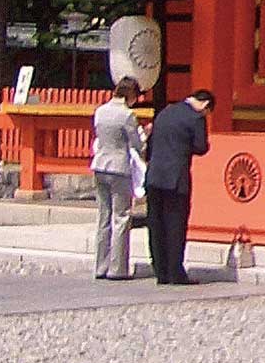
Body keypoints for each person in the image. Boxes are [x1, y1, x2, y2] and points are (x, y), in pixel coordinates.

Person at [142, 89, 215, 286]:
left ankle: (160, 271)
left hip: (154, 176)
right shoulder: (195, 118)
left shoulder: (165, 112)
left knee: (156, 224)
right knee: (175, 224)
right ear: (205, 105)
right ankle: (175, 272)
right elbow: (201, 146)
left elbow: (152, 144)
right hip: (176, 178)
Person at [88, 79, 148, 280]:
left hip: (100, 164)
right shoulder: (127, 115)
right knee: (121, 217)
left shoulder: (100, 111)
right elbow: (137, 144)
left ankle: (100, 266)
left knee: (103, 217)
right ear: (131, 95)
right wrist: (145, 135)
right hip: (119, 167)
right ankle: (117, 268)